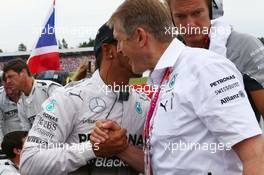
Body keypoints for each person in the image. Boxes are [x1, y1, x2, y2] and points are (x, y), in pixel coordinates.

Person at [90, 0, 264, 174]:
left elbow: (255, 155)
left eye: (120, 40)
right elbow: (168, 164)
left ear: (140, 37)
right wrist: (122, 147)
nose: (119, 49)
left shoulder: (204, 67)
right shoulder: (165, 75)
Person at [20, 24, 149, 175]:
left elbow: (163, 167)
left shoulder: (145, 104)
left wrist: (123, 147)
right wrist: (92, 148)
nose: (143, 48)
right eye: (133, 40)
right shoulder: (68, 98)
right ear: (109, 51)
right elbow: (29, 163)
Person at [166, 0, 264, 122]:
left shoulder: (243, 46)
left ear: (212, 12)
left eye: (197, 13)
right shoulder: (170, 58)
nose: (190, 24)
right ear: (171, 18)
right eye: (180, 16)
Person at [3, 59, 62, 130]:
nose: (8, 81)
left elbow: (66, 118)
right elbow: (27, 131)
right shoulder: (20, 103)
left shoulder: (49, 89)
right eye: (6, 78)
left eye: (10, 76)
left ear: (23, 73)